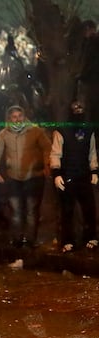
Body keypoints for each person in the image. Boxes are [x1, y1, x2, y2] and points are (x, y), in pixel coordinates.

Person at [0, 105, 51, 260]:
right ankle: (17, 238)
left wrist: (47, 165)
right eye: (14, 117)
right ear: (9, 119)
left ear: (24, 116)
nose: (17, 119)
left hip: (33, 175)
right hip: (14, 176)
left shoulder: (35, 131)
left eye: (19, 116)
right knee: (16, 210)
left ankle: (30, 240)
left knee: (31, 209)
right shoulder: (4, 134)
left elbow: (47, 148)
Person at [49, 100, 98, 252]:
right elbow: (55, 153)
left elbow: (92, 153)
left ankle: (91, 237)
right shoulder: (62, 130)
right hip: (67, 176)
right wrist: (56, 173)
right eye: (75, 108)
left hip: (83, 175)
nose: (78, 110)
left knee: (89, 209)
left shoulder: (88, 130)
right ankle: (67, 240)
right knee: (67, 211)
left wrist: (94, 170)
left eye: (80, 108)